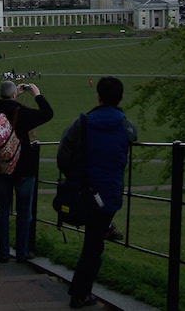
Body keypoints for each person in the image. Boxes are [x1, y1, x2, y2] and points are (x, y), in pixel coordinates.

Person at [56, 76, 138, 309]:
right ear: (121, 97)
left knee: (92, 244)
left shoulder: (82, 123)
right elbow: (133, 135)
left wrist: (77, 175)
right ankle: (79, 293)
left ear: (98, 97)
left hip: (84, 192)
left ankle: (80, 291)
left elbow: (63, 157)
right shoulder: (126, 126)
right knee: (93, 246)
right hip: (108, 197)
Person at [0, 80, 53, 263]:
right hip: (23, 167)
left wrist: (12, 95)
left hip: (1, 167)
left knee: (3, 211)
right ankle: (21, 253)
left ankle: (3, 252)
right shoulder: (21, 112)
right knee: (24, 212)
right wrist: (37, 94)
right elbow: (48, 113)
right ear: (14, 94)